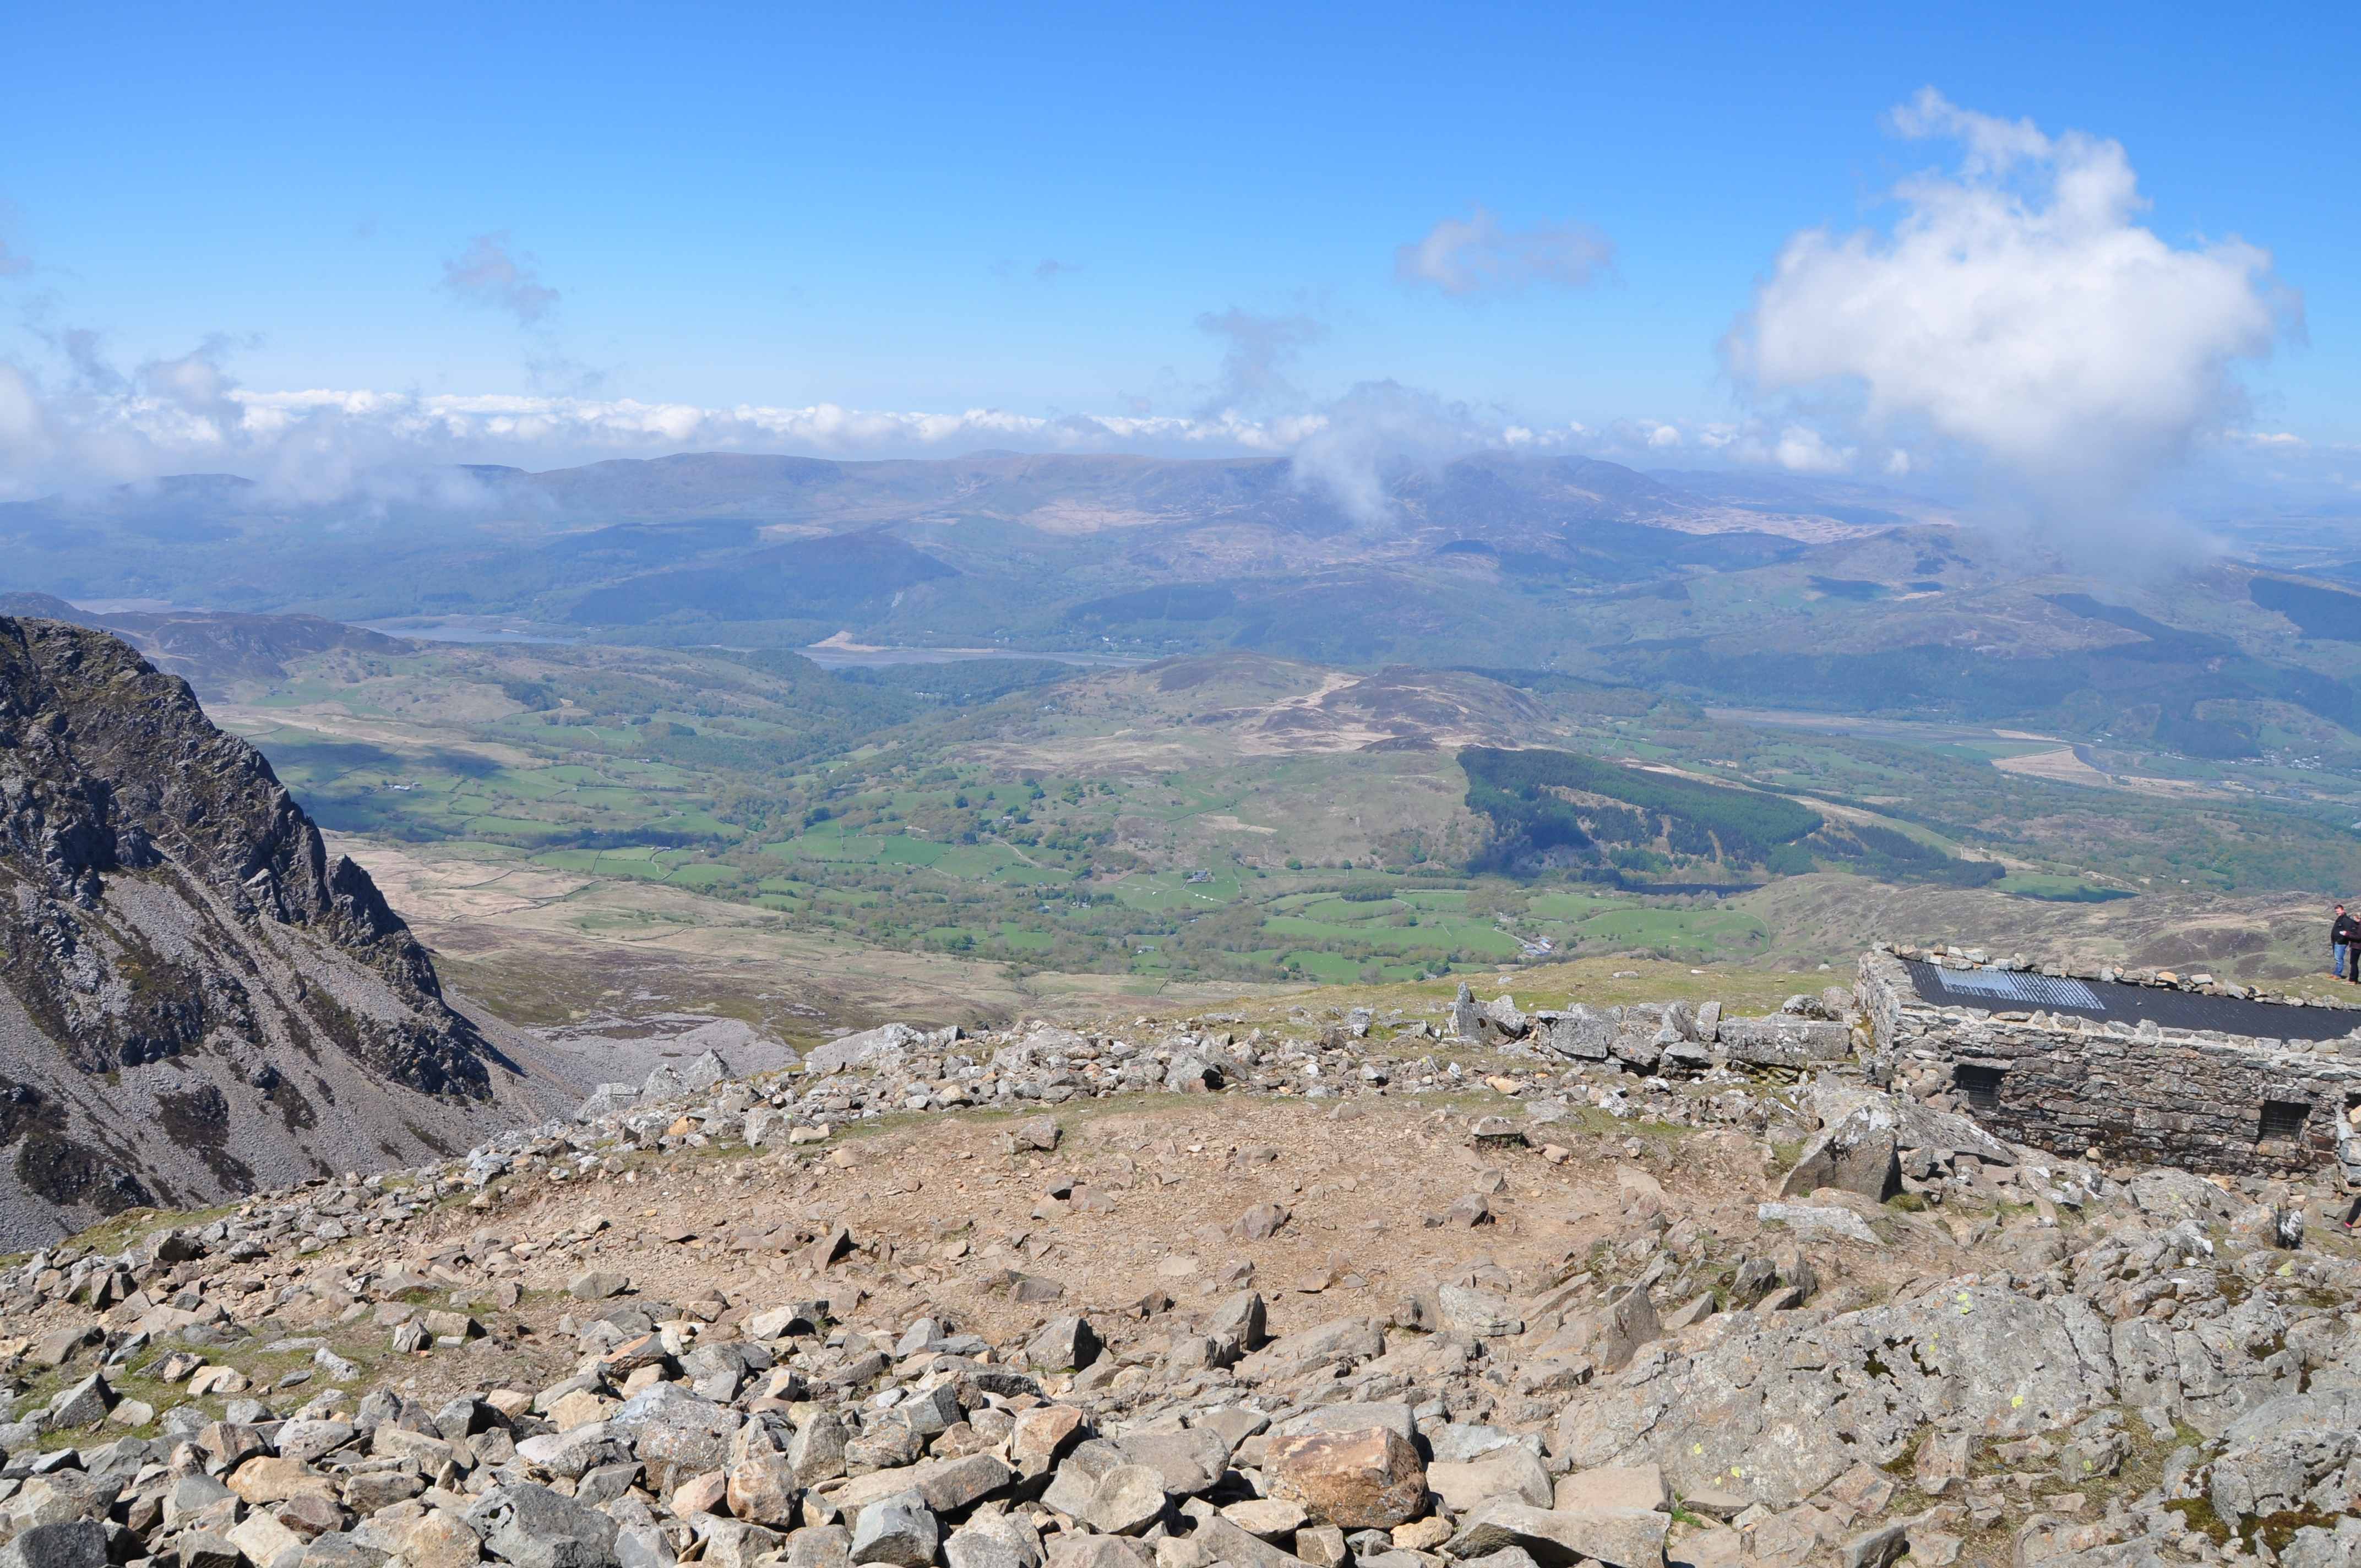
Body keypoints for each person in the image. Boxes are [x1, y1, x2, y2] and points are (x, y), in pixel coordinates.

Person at [2335, 904, 2361, 982]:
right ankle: (2353, 979)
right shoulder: (2357, 925)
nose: (2353, 920)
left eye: (2354, 918)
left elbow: (2358, 937)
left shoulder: (2360, 926)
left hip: (2357, 946)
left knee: (2353, 963)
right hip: (2356, 946)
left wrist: (2347, 934)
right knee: (2353, 963)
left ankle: (2353, 980)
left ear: (2358, 918)